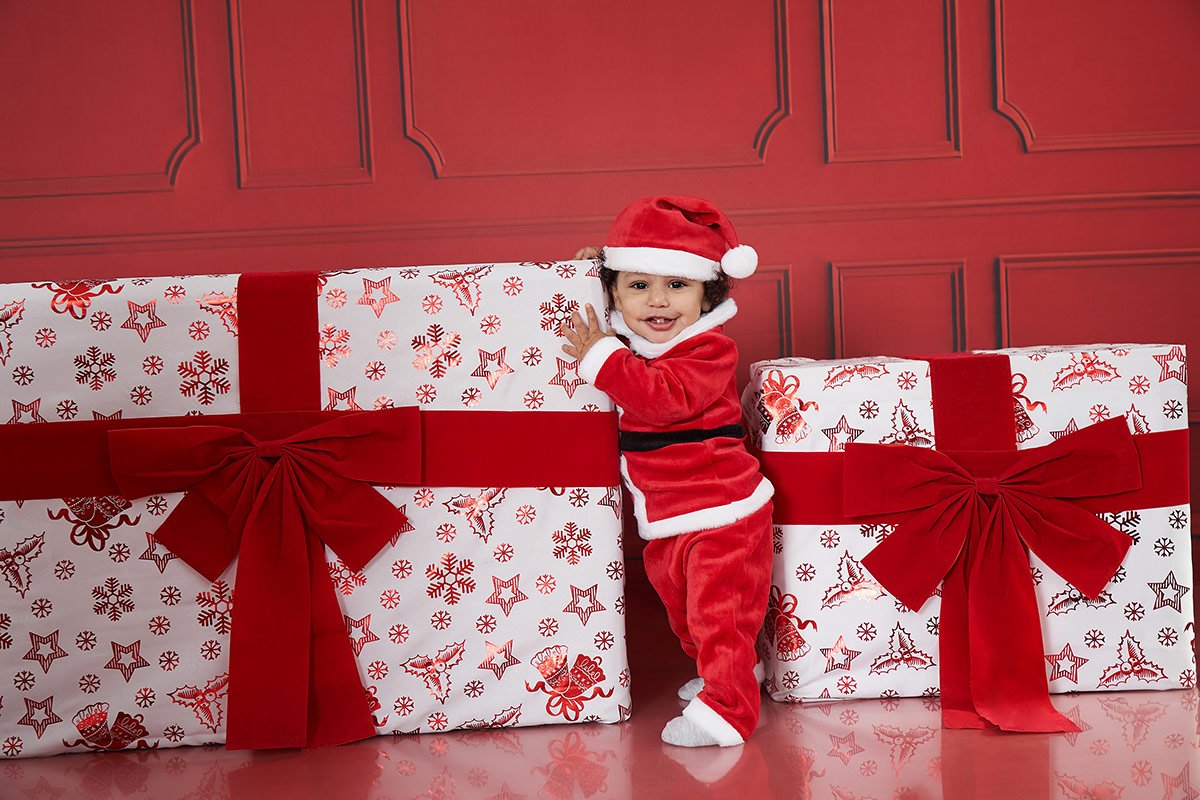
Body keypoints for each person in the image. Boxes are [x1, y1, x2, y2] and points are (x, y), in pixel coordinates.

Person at [562, 196, 774, 748]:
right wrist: (585, 278)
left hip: (722, 509)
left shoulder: (708, 350)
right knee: (683, 611)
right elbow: (615, 337)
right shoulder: (634, 342)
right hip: (665, 511)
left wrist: (602, 358)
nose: (657, 301)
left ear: (708, 295)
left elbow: (662, 397)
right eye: (638, 286)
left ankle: (727, 712)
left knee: (718, 615)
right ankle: (730, 672)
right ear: (614, 295)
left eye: (677, 285)